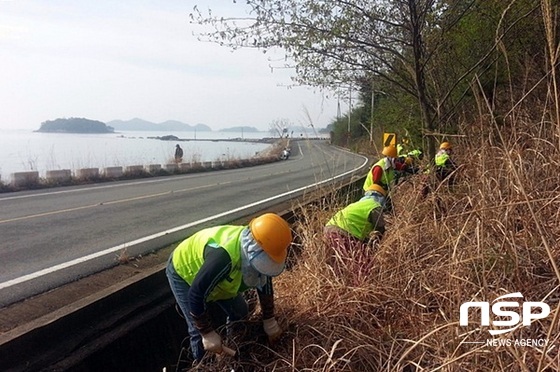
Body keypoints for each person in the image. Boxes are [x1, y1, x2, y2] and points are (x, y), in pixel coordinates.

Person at [166, 213, 292, 364]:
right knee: (197, 332)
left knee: (240, 311)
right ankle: (202, 365)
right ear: (254, 249)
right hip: (185, 273)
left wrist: (269, 320)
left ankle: (233, 351)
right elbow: (196, 294)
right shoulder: (223, 258)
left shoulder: (264, 247)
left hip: (219, 281)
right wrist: (207, 333)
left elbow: (264, 281)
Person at [323, 184, 387, 283]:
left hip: (329, 228)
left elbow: (359, 227)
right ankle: (364, 285)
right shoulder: (375, 206)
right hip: (343, 232)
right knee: (362, 264)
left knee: (338, 264)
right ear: (381, 197)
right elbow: (380, 229)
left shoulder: (356, 204)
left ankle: (338, 285)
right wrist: (374, 246)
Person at [362, 145, 406, 211]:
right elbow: (375, 184)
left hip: (382, 192)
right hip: (371, 192)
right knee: (376, 210)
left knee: (389, 208)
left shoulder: (391, 165)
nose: (396, 161)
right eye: (395, 159)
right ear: (390, 158)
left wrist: (408, 164)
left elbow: (402, 167)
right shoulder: (379, 168)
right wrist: (385, 187)